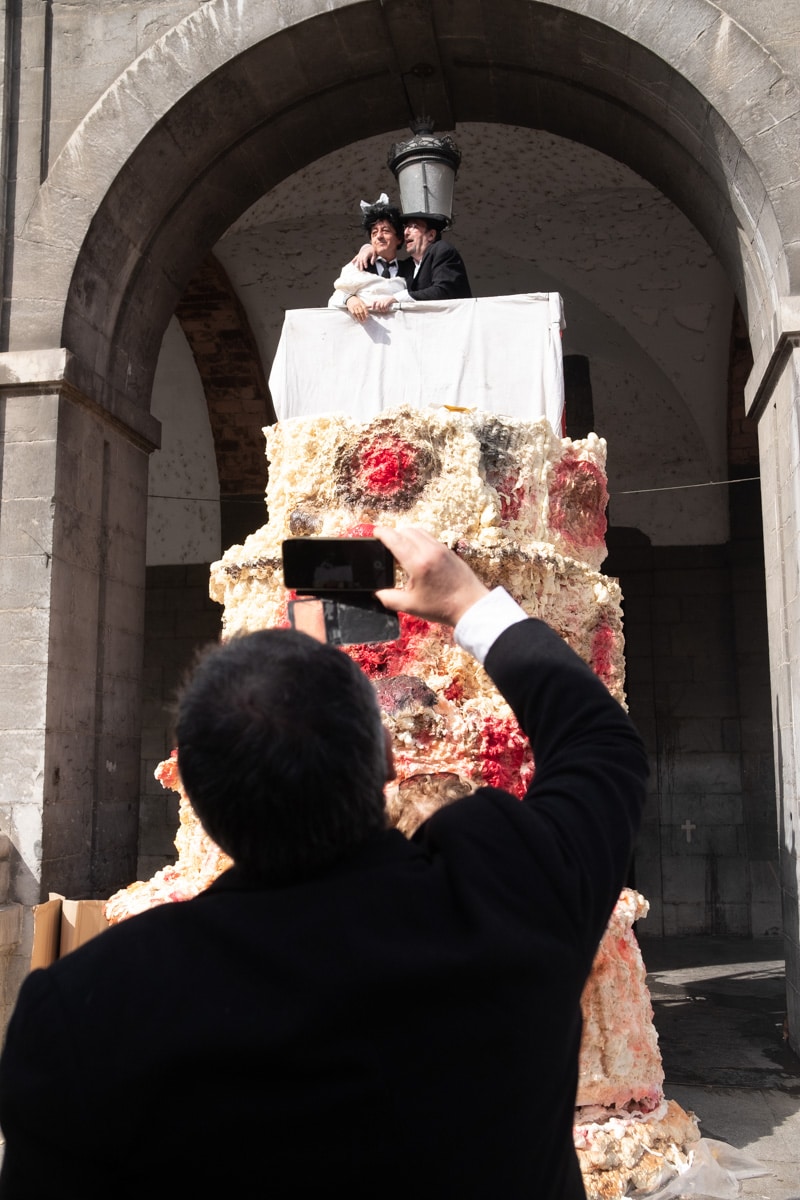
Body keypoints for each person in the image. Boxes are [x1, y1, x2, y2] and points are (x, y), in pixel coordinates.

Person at [0, 528, 647, 1200]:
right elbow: (602, 745)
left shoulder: (92, 1008)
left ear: (191, 786)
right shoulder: (507, 898)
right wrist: (467, 602)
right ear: (388, 761)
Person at [328, 198, 413, 324]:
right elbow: (336, 297)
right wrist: (350, 299)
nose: (379, 236)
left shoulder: (410, 269)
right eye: (374, 233)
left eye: (385, 231)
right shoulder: (359, 265)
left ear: (399, 238)